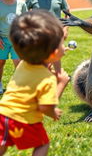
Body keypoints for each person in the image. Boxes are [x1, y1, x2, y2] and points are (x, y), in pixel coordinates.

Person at [0, 10, 70, 155]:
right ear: (53, 53)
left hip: (3, 114)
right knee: (43, 144)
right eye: (62, 43)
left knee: (3, 143)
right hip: (24, 119)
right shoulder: (47, 78)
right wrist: (61, 83)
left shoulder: (22, 65)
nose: (64, 46)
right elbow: (45, 107)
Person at [25, 0, 70, 73]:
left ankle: (58, 75)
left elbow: (67, 13)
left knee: (56, 55)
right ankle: (42, 76)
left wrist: (66, 28)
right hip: (38, 33)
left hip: (56, 32)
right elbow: (24, 14)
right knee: (41, 56)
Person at [0, 0, 27, 94]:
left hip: (17, 40)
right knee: (1, 62)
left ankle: (19, 85)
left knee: (19, 63)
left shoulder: (21, 4)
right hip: (2, 41)